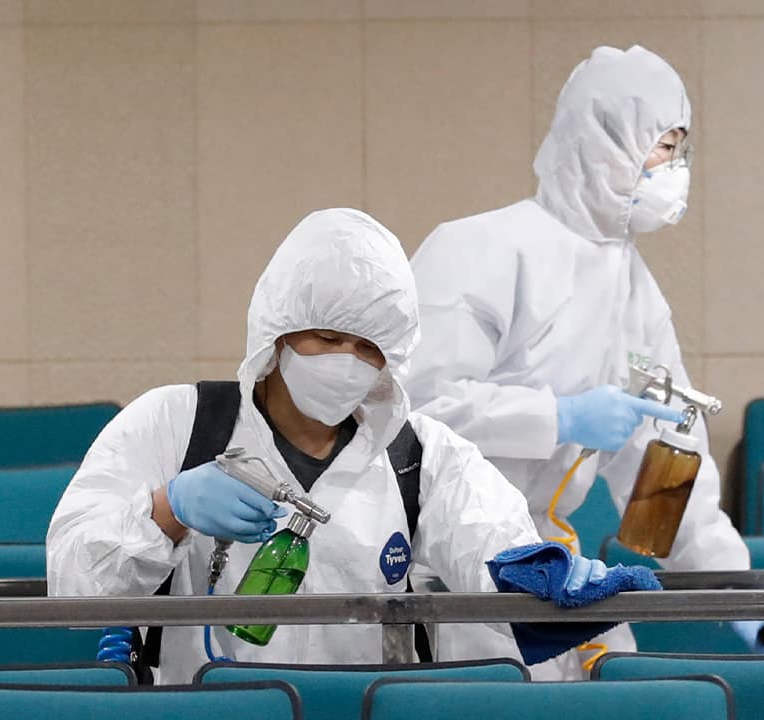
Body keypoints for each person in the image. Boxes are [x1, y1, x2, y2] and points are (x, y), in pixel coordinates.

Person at [47, 208, 627, 684]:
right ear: (277, 331)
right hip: (207, 708)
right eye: (326, 337)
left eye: (368, 348)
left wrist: (545, 578)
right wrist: (168, 509)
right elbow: (75, 584)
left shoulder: (419, 456)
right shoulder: (177, 424)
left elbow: (495, 546)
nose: (346, 361)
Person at [405, 45, 764, 679]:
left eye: (681, 149)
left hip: (556, 571)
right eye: (661, 145)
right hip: (450, 570)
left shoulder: (635, 289)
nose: (674, 166)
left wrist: (734, 592)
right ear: (602, 142)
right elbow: (414, 409)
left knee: (614, 683)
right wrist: (559, 416)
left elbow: (664, 456)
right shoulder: (483, 248)